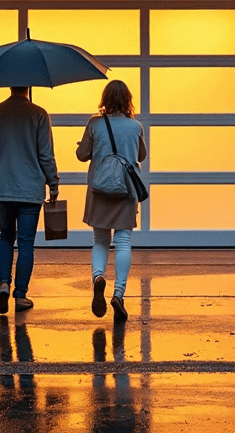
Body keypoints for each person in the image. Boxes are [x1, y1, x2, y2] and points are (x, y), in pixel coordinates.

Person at [0, 86, 59, 315]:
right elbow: (45, 154)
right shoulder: (39, 114)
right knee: (25, 243)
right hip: (30, 190)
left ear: (9, 86)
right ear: (29, 87)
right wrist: (53, 182)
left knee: (5, 236)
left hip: (1, 187)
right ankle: (20, 296)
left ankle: (4, 283)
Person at [76, 79, 146, 322]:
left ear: (105, 99)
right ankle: (119, 294)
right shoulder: (136, 126)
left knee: (100, 238)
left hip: (100, 188)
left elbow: (82, 154)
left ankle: (98, 278)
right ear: (127, 99)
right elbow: (141, 155)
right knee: (124, 240)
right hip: (126, 190)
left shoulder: (94, 124)